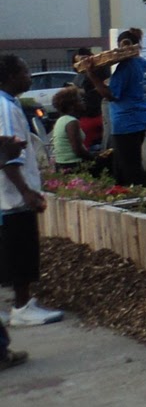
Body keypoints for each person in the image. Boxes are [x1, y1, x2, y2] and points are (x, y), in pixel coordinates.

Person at [1, 54, 63, 330]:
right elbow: (9, 154)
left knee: (13, 250)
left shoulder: (8, 104)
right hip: (13, 197)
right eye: (25, 72)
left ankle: (20, 305)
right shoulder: (5, 108)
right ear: (11, 76)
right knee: (22, 251)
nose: (29, 77)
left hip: (11, 195)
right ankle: (22, 306)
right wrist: (26, 191)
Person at [84, 29, 146, 189]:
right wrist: (145, 111)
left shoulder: (125, 67)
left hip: (125, 124)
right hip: (141, 121)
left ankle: (138, 196)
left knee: (128, 168)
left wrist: (92, 75)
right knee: (129, 162)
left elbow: (111, 95)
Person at [50, 87, 103, 170]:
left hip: (62, 164)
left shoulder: (61, 120)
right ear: (72, 105)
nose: (83, 102)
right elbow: (78, 150)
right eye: (80, 100)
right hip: (73, 165)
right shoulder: (72, 122)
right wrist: (95, 157)